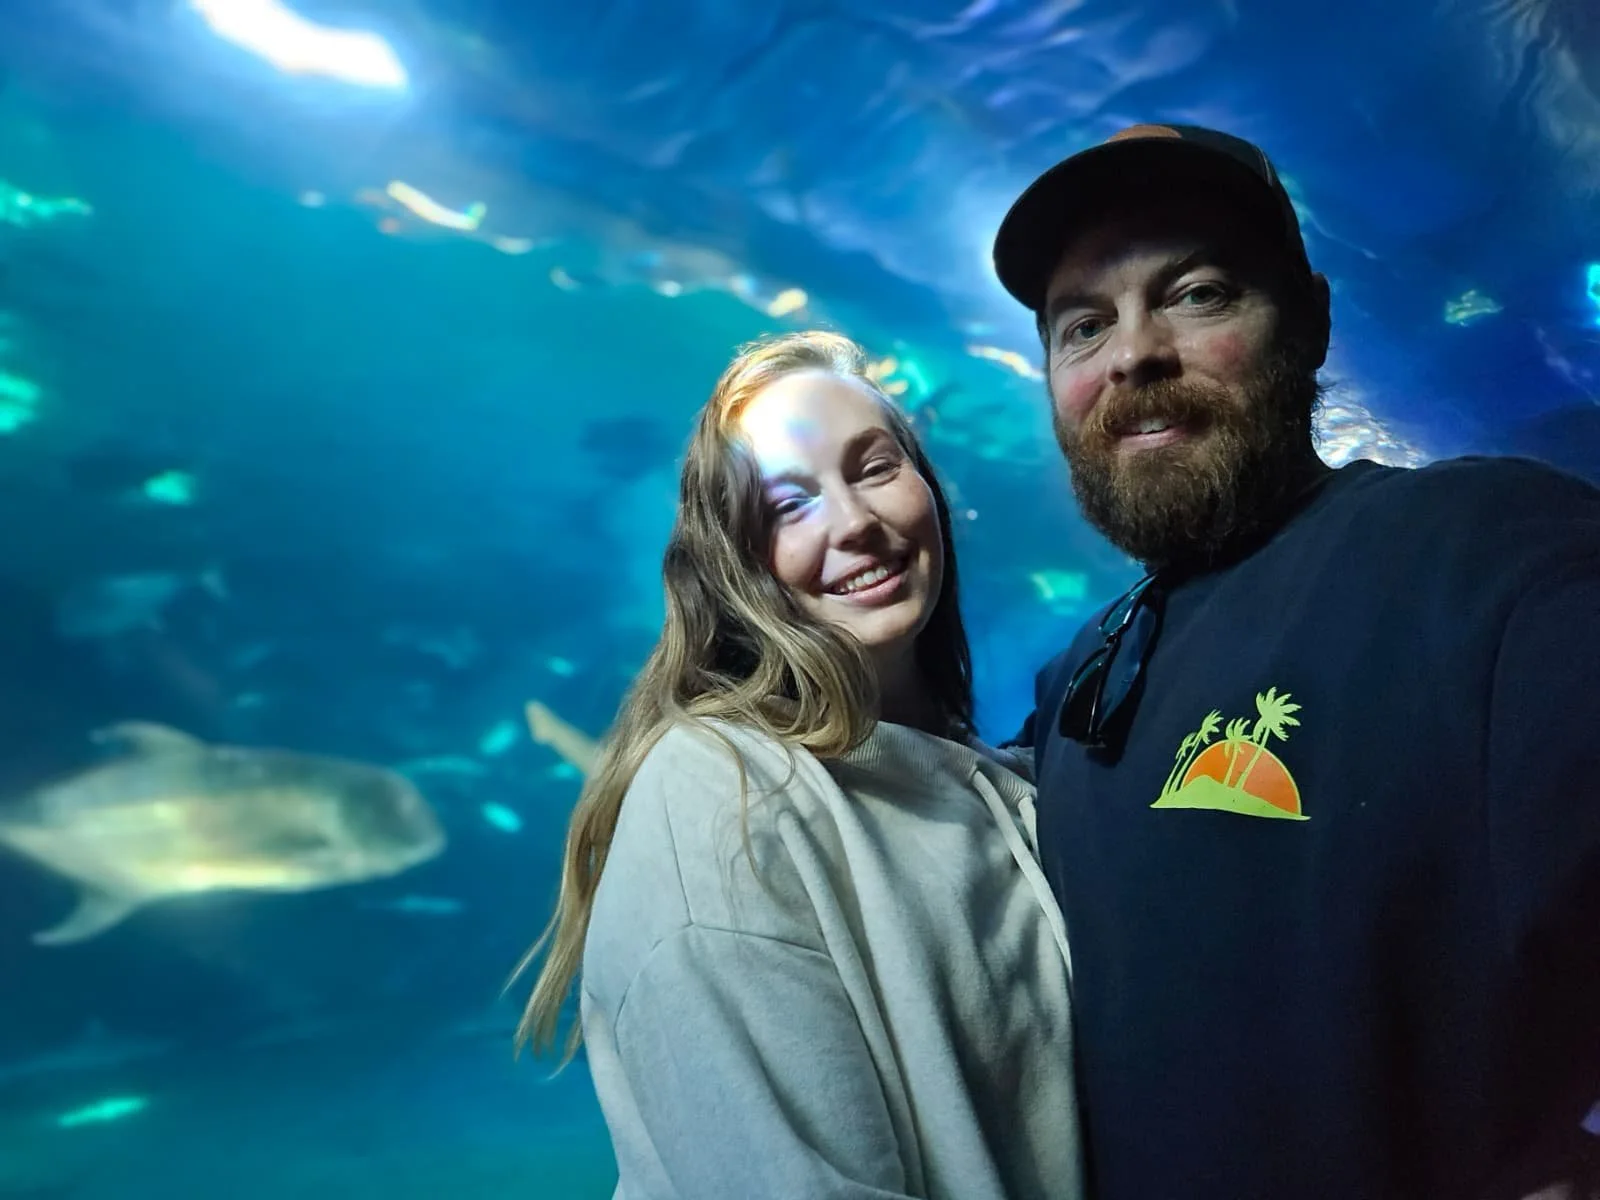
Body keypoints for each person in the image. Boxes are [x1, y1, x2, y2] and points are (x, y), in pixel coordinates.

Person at [991, 121, 1600, 1200]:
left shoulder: (1488, 555)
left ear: (1310, 322)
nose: (1132, 351)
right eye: (1082, 325)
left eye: (1195, 292)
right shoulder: (1079, 678)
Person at [512, 330, 1084, 1200]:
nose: (854, 522)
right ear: (736, 564)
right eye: (788, 504)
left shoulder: (1001, 783)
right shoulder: (720, 796)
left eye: (875, 467)